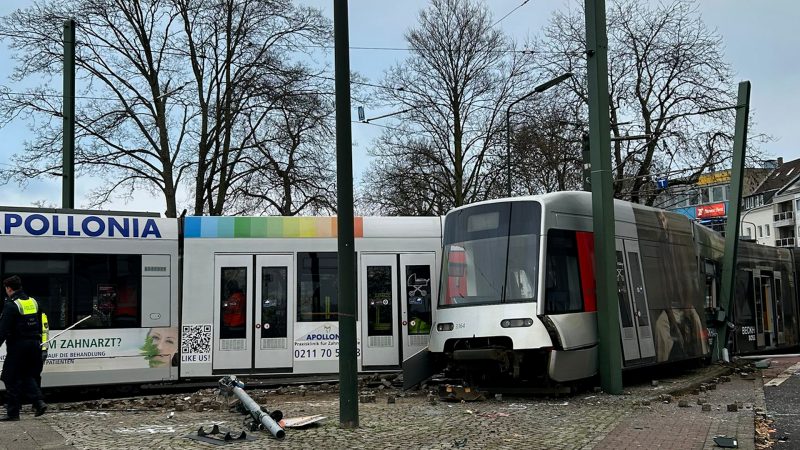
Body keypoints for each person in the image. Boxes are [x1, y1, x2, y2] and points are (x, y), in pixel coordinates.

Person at [0, 275, 46, 420]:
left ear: (9, 289)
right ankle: (39, 402)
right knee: (26, 375)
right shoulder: (34, 302)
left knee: (8, 376)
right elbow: (41, 323)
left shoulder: (11, 305)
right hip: (34, 344)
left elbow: (2, 329)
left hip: (18, 346)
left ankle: (13, 413)